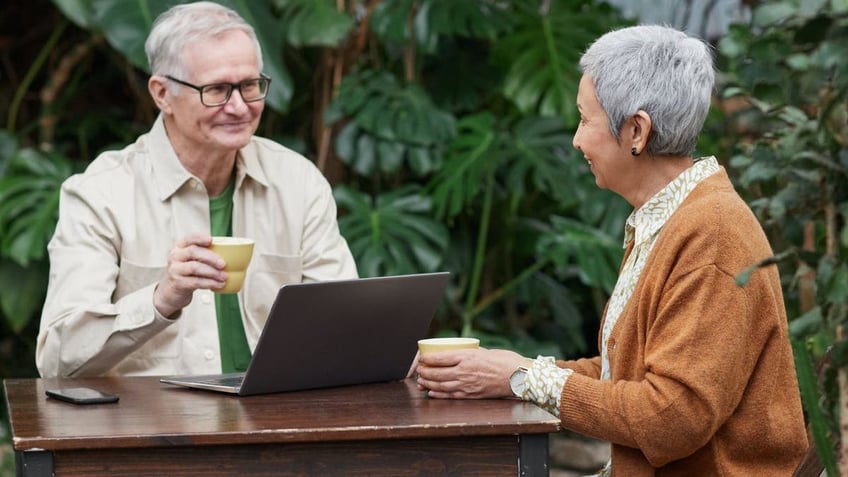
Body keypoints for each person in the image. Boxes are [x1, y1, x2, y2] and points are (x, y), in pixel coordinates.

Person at [415, 25, 807, 476]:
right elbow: (626, 374)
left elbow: (672, 417)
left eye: (585, 119)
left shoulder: (711, 233)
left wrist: (522, 379)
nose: (577, 140)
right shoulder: (673, 215)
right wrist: (508, 372)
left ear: (637, 130)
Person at [36, 2, 357, 378]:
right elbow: (57, 360)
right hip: (148, 428)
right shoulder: (101, 193)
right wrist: (161, 300)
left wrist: (415, 362)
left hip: (276, 419)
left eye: (250, 86)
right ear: (162, 94)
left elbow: (346, 327)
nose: (239, 107)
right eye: (218, 90)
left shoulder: (297, 182)